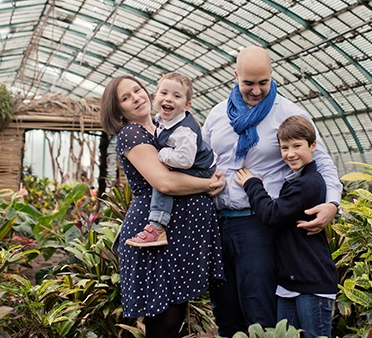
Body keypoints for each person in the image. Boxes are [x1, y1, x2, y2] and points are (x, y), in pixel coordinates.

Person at [203, 45, 342, 337]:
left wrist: (332, 204)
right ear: (236, 75)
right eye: (248, 83)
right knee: (225, 311)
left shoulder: (288, 113)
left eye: (263, 83)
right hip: (218, 222)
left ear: (272, 75)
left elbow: (323, 161)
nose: (255, 91)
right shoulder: (217, 115)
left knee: (260, 313)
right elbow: (202, 160)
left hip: (258, 224)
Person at [100, 75, 225, 338]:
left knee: (174, 315)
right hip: (155, 235)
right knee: (163, 320)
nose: (136, 97)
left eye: (137, 90)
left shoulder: (163, 125)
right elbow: (164, 182)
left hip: (177, 235)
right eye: (125, 98)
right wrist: (208, 185)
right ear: (118, 110)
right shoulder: (132, 133)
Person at [234, 115, 338, 338]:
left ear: (313, 146)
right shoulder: (295, 181)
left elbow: (272, 215)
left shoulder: (309, 183)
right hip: (290, 282)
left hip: (312, 282)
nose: (290, 153)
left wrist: (252, 185)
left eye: (297, 146)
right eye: (284, 147)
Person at [126, 72, 216, 248]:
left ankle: (157, 226)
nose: (169, 99)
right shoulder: (160, 119)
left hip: (201, 168)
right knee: (164, 177)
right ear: (155, 97)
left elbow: (185, 161)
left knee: (164, 180)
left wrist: (163, 155)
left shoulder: (184, 131)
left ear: (186, 105)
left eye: (177, 96)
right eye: (164, 93)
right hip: (196, 163)